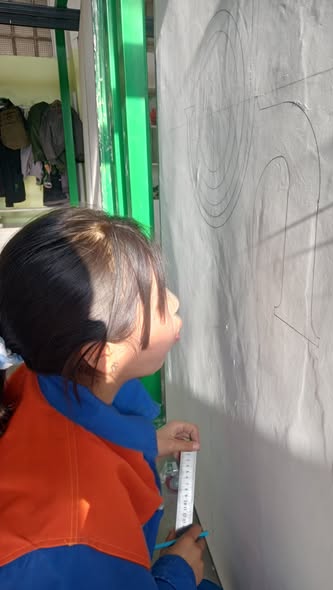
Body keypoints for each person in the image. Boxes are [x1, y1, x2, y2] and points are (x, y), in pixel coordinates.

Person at [0, 207, 220, 590]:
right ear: (102, 355)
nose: (175, 302)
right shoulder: (71, 541)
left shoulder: (40, 377)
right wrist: (176, 574)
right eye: (157, 301)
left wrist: (143, 444)